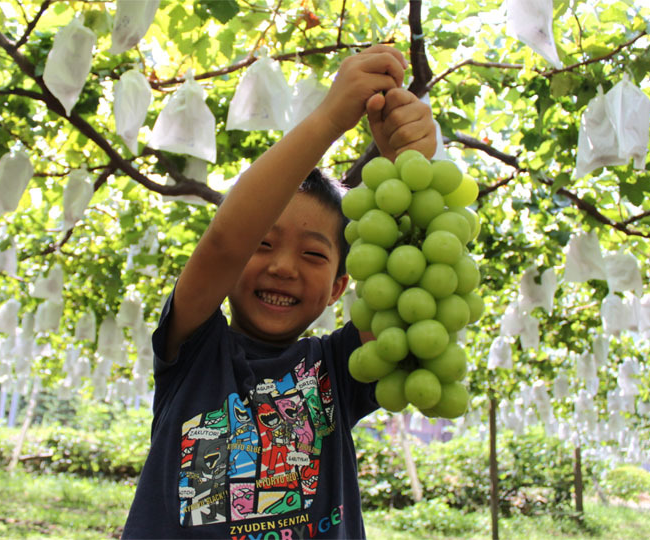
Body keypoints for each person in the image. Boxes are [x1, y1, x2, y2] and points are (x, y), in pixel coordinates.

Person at [122, 44, 437, 539]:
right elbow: (225, 243)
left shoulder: (339, 369)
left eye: (314, 254)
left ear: (339, 288)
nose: (284, 267)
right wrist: (330, 118)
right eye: (262, 243)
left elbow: (415, 292)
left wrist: (411, 172)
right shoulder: (194, 350)